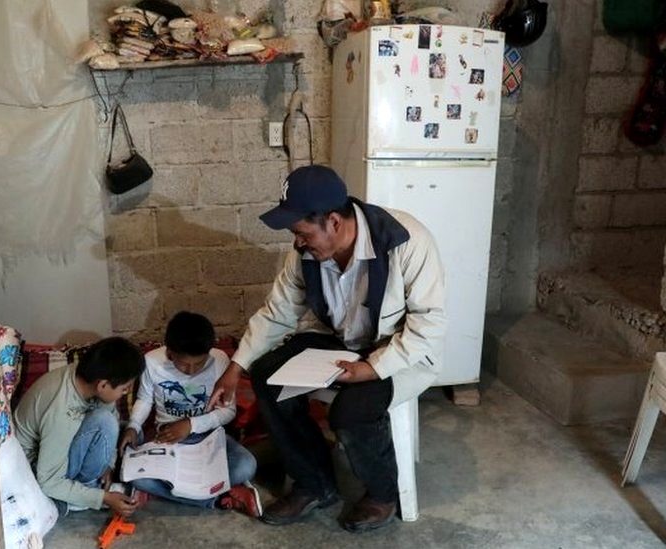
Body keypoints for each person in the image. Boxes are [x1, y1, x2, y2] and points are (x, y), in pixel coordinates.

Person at [207, 165, 447, 533]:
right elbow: (278, 312)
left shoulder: (406, 240)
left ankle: (383, 494)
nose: (298, 243)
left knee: (352, 411)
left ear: (334, 222)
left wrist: (373, 367)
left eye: (302, 233)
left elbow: (428, 325)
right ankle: (315, 482)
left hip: (400, 350)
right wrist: (236, 366)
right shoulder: (305, 254)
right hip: (343, 339)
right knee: (266, 376)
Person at [120, 311, 262, 518]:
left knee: (246, 466)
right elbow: (145, 399)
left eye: (199, 363)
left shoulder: (220, 360)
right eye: (184, 364)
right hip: (168, 441)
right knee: (135, 477)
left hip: (208, 440)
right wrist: (133, 425)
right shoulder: (151, 362)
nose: (191, 371)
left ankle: (171, 493)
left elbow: (228, 411)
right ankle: (220, 498)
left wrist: (191, 425)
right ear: (169, 352)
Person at [14, 337, 145, 518]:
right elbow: (49, 481)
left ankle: (86, 488)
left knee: (125, 429)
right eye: (124, 389)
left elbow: (112, 415)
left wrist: (108, 464)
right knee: (105, 422)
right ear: (103, 385)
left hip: (60, 445)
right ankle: (82, 492)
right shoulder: (61, 409)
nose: (124, 393)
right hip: (37, 469)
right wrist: (103, 498)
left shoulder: (86, 379)